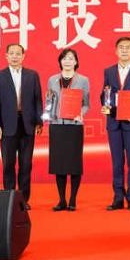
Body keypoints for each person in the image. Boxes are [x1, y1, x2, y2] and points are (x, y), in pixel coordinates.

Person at [0, 43, 43, 208]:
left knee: (26, 165)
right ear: (6, 56)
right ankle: (9, 199)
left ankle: (23, 200)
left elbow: (38, 101)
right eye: (11, 53)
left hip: (28, 125)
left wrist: (39, 122)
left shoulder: (32, 75)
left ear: (23, 56)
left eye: (18, 53)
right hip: (7, 126)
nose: (14, 56)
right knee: (8, 164)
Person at [101, 37, 130, 211]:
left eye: (127, 47)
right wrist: (105, 105)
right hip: (114, 122)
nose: (124, 50)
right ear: (116, 51)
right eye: (121, 47)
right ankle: (118, 198)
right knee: (117, 162)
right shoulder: (109, 71)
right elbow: (104, 94)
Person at [45, 48, 90, 212]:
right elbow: (49, 100)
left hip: (74, 126)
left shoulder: (83, 80)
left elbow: (86, 104)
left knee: (74, 164)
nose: (67, 61)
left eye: (71, 58)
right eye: (64, 58)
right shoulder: (52, 80)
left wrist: (80, 114)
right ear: (60, 61)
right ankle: (62, 200)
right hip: (56, 126)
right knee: (59, 164)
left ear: (76, 62)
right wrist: (48, 114)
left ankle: (72, 200)